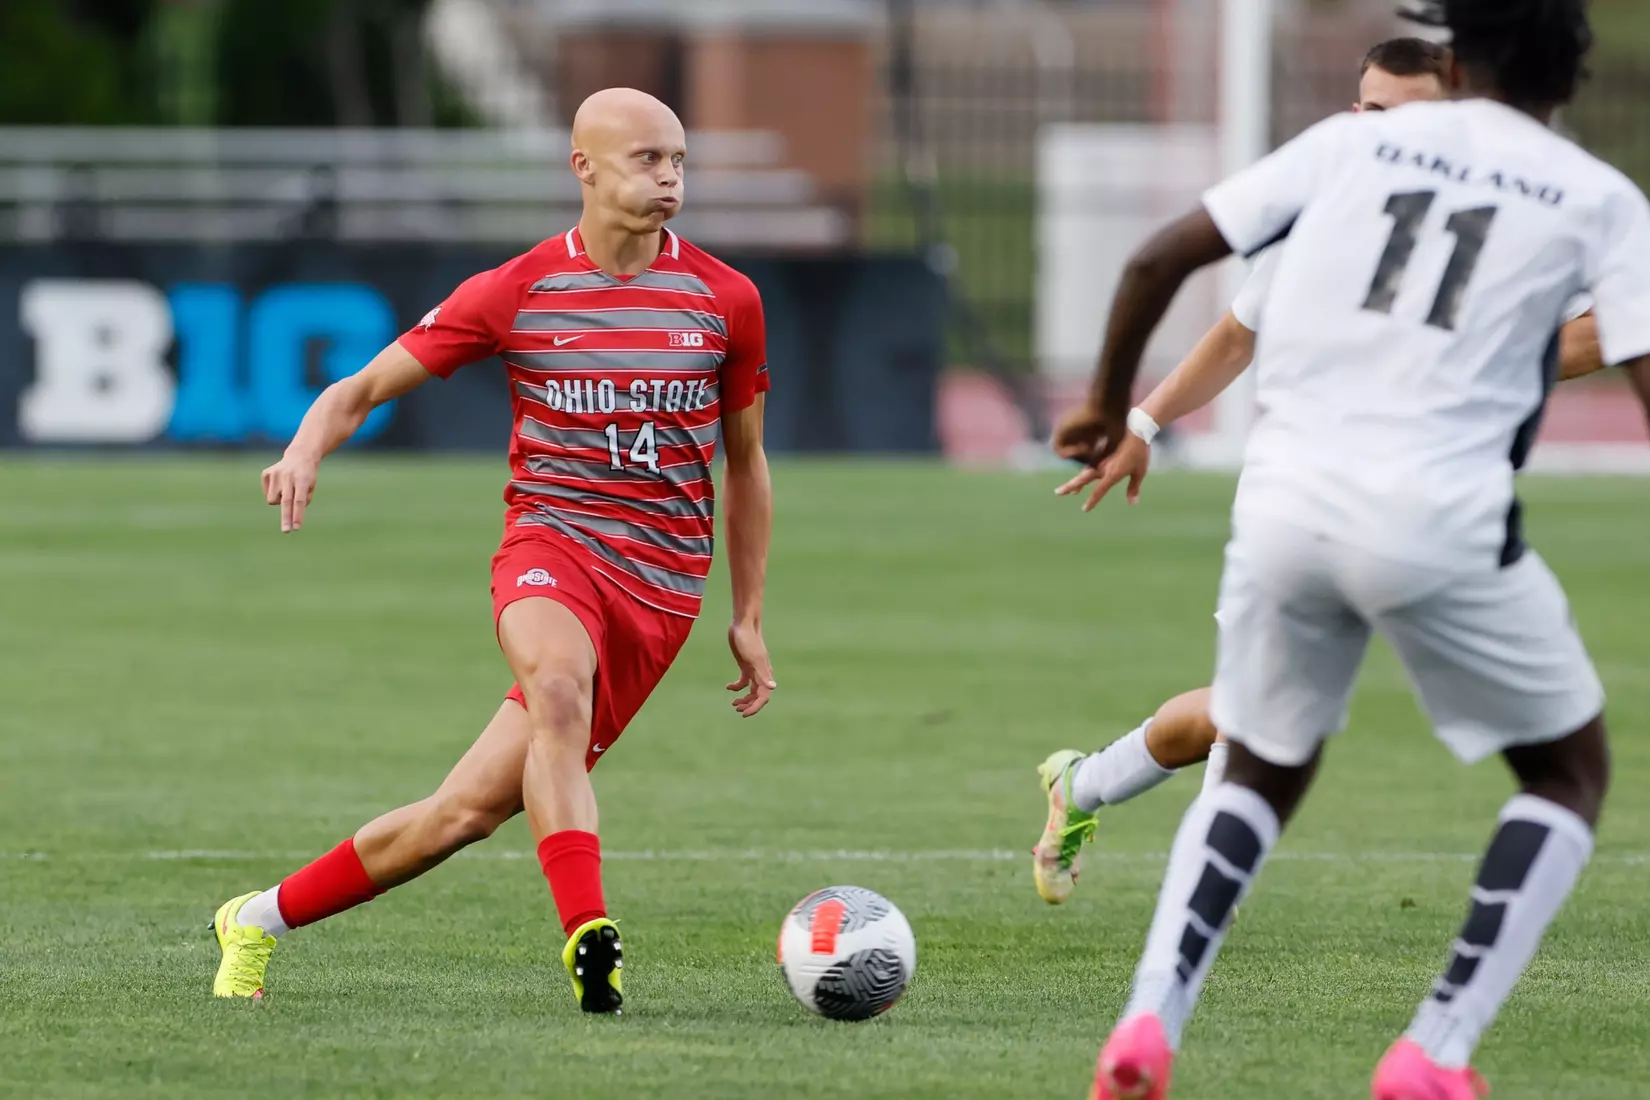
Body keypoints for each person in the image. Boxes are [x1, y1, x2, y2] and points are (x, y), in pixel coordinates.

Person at [1058, 0, 1650, 1095]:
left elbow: (1153, 260)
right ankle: (1435, 1049)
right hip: (1438, 515)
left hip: (1284, 503)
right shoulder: (1604, 200)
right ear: (1570, 81)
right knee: (1568, 771)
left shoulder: (1349, 146)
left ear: (1456, 58)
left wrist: (1106, 408)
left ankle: (1147, 1021)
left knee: (1258, 763)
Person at [209, 88, 778, 1015]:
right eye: (647, 159)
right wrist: (307, 445)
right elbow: (360, 388)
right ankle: (590, 936)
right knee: (557, 687)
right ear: (582, 167)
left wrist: (747, 615)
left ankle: (256, 920)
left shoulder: (726, 300)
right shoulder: (516, 290)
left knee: (461, 816)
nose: (669, 176)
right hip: (550, 548)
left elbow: (748, 467)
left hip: (662, 592)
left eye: (678, 159)